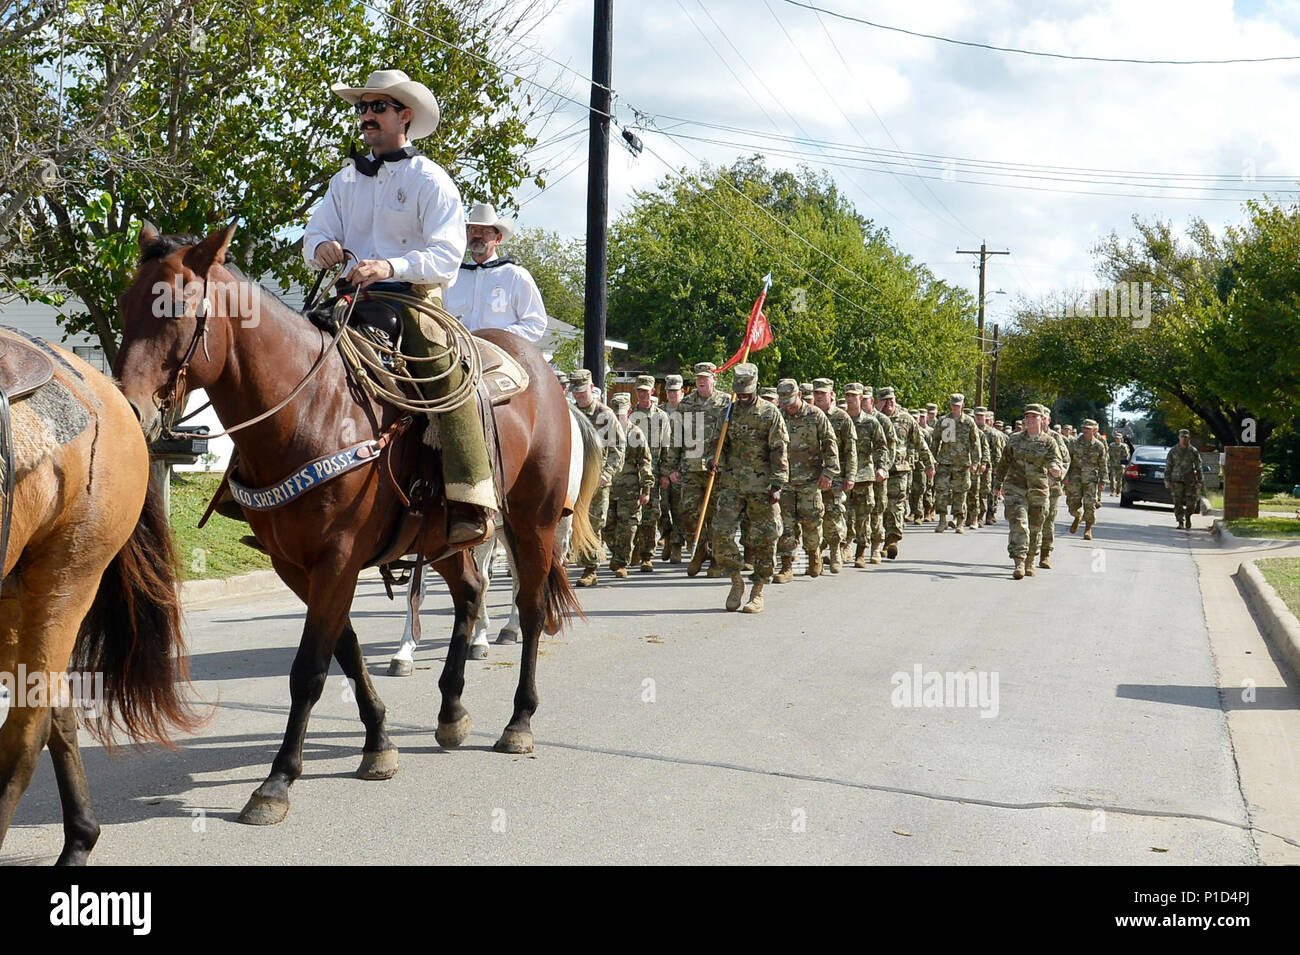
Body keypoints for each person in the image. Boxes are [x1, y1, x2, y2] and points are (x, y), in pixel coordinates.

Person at [303, 68, 494, 546]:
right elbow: (314, 234)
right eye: (362, 108)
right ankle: (257, 491)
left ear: (404, 116)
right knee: (286, 357)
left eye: (377, 107)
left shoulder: (431, 179)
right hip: (350, 300)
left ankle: (470, 496)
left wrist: (388, 266)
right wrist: (322, 247)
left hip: (412, 300)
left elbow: (447, 257)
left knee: (445, 373)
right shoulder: (345, 179)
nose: (366, 115)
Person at [711, 364, 788, 614]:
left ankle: (758, 590)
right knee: (720, 533)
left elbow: (779, 451)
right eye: (739, 392)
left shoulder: (769, 413)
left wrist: (777, 484)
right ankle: (736, 580)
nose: (742, 396)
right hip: (732, 483)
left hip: (762, 485)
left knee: (765, 538)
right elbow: (718, 445)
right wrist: (715, 462)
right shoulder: (727, 412)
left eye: (747, 392)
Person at [442, 202, 547, 342]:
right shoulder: (452, 276)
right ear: (467, 235)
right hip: (457, 354)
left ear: (498, 239)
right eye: (473, 230)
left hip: (502, 354)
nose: (478, 235)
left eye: (485, 231)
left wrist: (497, 338)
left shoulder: (515, 276)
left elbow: (535, 323)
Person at [668, 362, 730, 576]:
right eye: (699, 378)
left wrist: (725, 461)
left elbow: (733, 438)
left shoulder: (727, 403)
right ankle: (700, 549)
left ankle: (715, 558)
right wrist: (672, 467)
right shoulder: (686, 405)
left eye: (706, 377)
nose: (702, 381)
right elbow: (676, 438)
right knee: (688, 512)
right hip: (691, 468)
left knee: (715, 516)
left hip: (716, 470)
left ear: (714, 379)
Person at [774, 379, 837, 582]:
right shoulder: (778, 415)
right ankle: (786, 566)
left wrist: (828, 473)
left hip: (810, 480)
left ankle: (813, 556)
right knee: (785, 523)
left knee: (811, 522)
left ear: (800, 396)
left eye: (791, 402)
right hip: (784, 480)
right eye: (784, 402)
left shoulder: (815, 415)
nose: (788, 407)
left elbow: (829, 443)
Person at [994, 404, 1064, 579]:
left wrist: (1056, 470)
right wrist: (997, 485)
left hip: (1038, 489)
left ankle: (1030, 560)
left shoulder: (1049, 442)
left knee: (1035, 527)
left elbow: (1055, 460)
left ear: (1042, 420)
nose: (1030, 420)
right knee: (1019, 524)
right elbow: (1004, 462)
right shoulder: (1014, 439)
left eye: (1034, 417)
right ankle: (1019, 561)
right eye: (1028, 417)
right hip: (1015, 487)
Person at [569, 369, 625, 586]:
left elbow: (619, 447)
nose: (579, 396)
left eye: (583, 392)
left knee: (593, 523)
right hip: (575, 478)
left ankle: (591, 569)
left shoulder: (605, 415)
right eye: (576, 392)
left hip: (597, 480)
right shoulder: (571, 413)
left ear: (591, 388)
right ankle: (581, 560)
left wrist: (607, 473)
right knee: (573, 522)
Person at [605, 393, 653, 578]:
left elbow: (645, 462)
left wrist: (646, 489)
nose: (618, 418)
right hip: (608, 488)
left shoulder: (635, 434)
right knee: (607, 526)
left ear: (629, 413)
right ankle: (619, 553)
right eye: (615, 415)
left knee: (627, 527)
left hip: (630, 490)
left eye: (621, 415)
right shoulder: (604, 434)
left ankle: (621, 561)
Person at [812, 379, 856, 572]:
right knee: (813, 516)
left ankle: (835, 550)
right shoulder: (809, 415)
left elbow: (850, 450)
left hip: (836, 474)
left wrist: (851, 475)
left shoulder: (842, 418)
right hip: (812, 474)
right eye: (817, 393)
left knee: (835, 512)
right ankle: (815, 555)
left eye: (823, 393)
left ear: (831, 394)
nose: (819, 396)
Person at [629, 375, 670, 571]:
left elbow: (667, 448)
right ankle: (635, 547)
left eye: (646, 390)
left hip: (652, 473)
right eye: (639, 391)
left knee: (651, 515)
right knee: (631, 514)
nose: (643, 394)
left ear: (652, 391)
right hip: (631, 474)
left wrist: (665, 474)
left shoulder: (661, 417)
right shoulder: (629, 415)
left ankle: (647, 555)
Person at [929, 393, 980, 534]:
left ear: (962, 406)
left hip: (962, 464)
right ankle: (942, 520)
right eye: (953, 405)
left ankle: (959, 522)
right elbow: (935, 441)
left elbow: (975, 443)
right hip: (944, 462)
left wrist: (975, 462)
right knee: (941, 491)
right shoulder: (943, 421)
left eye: (957, 405)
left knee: (960, 493)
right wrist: (931, 461)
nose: (955, 408)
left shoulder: (969, 422)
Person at [659, 374, 686, 562]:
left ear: (682, 391)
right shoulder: (658, 412)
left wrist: (678, 470)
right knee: (661, 507)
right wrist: (663, 472)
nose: (672, 394)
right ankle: (667, 537)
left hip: (680, 470)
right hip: (662, 468)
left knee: (679, 508)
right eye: (669, 391)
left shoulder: (688, 412)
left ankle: (677, 544)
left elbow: (693, 445)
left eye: (675, 391)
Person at [1066, 419, 1108, 540]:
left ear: (1094, 430)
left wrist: (1103, 481)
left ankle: (1088, 529)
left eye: (1088, 429)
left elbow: (1103, 464)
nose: (1085, 431)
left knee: (1090, 505)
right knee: (1072, 503)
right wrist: (1065, 477)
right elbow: (1067, 461)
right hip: (1075, 478)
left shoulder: (1099, 446)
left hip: (1091, 479)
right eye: (1084, 428)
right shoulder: (1074, 443)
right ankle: (1077, 516)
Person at [1165, 429, 1203, 529]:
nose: (1183, 439)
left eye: (1185, 437)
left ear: (1188, 438)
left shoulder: (1193, 451)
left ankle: (1188, 516)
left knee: (1192, 503)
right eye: (1182, 437)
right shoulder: (1173, 451)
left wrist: (1199, 480)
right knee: (1177, 502)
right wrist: (1167, 480)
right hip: (1176, 480)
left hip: (1190, 480)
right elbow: (1168, 466)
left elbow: (1199, 467)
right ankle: (1180, 521)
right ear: (1179, 437)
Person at [1107, 430, 1131, 497]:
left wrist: (1124, 464)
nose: (1117, 440)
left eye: (1118, 438)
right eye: (1116, 438)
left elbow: (1127, 456)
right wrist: (1108, 463)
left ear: (1121, 439)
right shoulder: (1112, 445)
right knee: (1112, 478)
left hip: (1120, 465)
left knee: (1120, 479)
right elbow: (1108, 454)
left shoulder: (1124, 446)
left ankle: (1118, 492)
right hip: (1113, 464)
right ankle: (1113, 491)